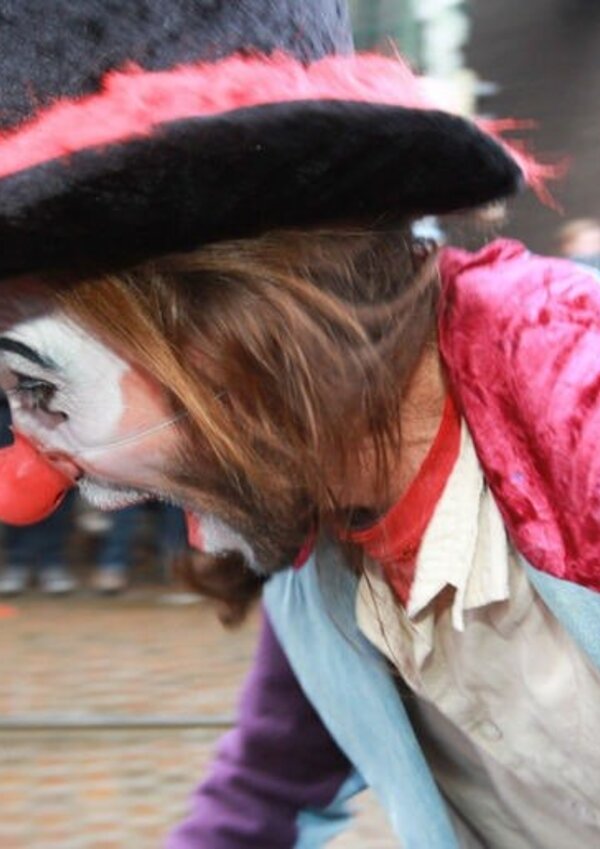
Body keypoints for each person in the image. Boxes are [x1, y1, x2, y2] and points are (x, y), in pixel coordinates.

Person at [0, 2, 598, 848]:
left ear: (218, 326)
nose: (26, 483)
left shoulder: (574, 403)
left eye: (41, 385)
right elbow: (265, 793)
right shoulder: (313, 526)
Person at [0, 394, 77, 595]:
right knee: (11, 490)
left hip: (56, 411)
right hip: (7, 408)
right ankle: (17, 561)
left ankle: (53, 561)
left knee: (56, 486)